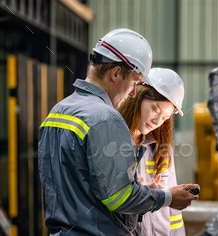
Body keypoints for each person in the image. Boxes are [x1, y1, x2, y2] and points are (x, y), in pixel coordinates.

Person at [38, 28, 199, 235]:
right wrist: (167, 197)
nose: (133, 92)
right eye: (134, 83)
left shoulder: (57, 112)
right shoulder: (106, 117)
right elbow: (119, 198)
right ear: (115, 73)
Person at [118, 68, 186, 235]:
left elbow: (173, 212)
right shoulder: (113, 142)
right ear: (138, 97)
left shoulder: (160, 148)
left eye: (164, 117)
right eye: (156, 110)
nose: (157, 121)